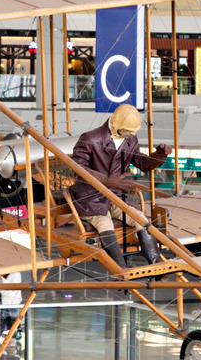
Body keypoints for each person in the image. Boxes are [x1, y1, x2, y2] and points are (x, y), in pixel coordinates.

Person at [68, 104, 171, 267]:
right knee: (104, 223)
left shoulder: (130, 139)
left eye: (134, 131)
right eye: (129, 131)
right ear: (116, 125)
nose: (132, 134)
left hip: (115, 195)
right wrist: (105, 180)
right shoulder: (90, 139)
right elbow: (77, 168)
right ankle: (120, 268)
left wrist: (159, 156)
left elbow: (142, 163)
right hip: (91, 196)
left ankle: (156, 262)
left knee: (140, 219)